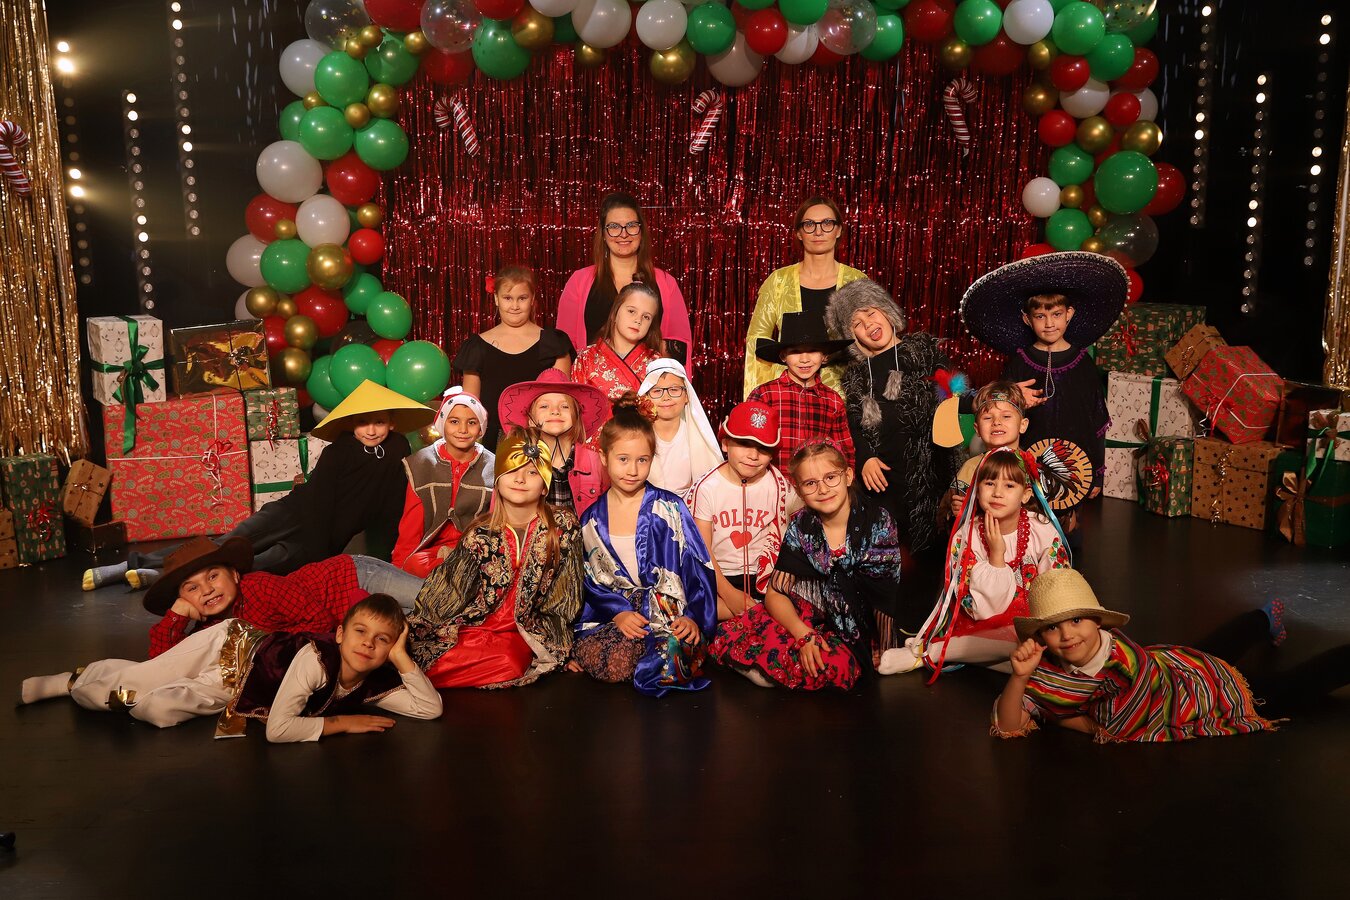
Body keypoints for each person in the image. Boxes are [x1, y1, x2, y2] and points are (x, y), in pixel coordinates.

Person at [83, 380, 432, 592]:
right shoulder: (339, 451)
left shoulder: (399, 449)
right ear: (350, 423)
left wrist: (387, 553)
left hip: (322, 540)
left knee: (253, 566)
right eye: (363, 422)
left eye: (379, 422)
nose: (371, 430)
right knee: (228, 544)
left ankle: (161, 578)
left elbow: (391, 506)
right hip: (296, 515)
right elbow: (319, 501)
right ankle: (134, 564)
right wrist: (318, 548)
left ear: (392, 422)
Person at [20, 594, 443, 742]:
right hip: (231, 646)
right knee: (139, 680)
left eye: (382, 640)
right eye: (361, 632)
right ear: (339, 633)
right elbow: (278, 730)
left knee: (158, 710)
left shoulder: (376, 679)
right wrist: (342, 723)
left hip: (237, 689)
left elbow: (429, 708)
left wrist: (402, 657)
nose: (368, 644)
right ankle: (72, 682)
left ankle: (113, 686)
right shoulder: (318, 659)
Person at [992, 570, 1350, 742]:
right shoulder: (1046, 672)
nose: (1067, 635)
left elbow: (1118, 724)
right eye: (1053, 628)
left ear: (1097, 622)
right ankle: (1262, 618)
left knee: (1278, 693)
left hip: (1176, 690)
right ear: (1040, 636)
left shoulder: (1122, 660)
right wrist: (1020, 677)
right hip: (1172, 664)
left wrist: (1071, 719)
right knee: (1205, 653)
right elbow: (1009, 725)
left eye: (1076, 620)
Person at [710, 442, 902, 691]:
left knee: (833, 665)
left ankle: (768, 671)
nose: (822, 489)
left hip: (857, 625)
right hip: (816, 615)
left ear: (848, 476)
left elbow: (885, 596)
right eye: (810, 483)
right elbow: (776, 593)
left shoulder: (877, 522)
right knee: (739, 630)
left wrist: (885, 647)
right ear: (799, 491)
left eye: (830, 477)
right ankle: (762, 669)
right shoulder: (803, 524)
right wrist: (803, 633)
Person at [825, 279, 959, 630]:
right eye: (856, 324)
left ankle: (927, 629)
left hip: (930, 472)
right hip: (884, 479)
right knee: (890, 558)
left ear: (887, 312)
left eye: (871, 312)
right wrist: (865, 457)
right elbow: (857, 422)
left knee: (930, 554)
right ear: (853, 337)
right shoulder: (858, 376)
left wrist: (997, 398)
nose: (868, 324)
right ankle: (891, 632)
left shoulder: (923, 351)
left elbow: (956, 392)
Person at [408, 428, 584, 688]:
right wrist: (418, 629)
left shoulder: (563, 527)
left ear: (545, 485)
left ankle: (416, 678)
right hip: (475, 624)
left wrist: (560, 643)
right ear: (498, 479)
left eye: (532, 472)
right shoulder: (480, 533)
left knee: (508, 661)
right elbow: (450, 589)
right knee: (425, 653)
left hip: (521, 632)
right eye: (512, 471)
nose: (520, 479)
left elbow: (565, 595)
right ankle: (407, 673)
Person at [571, 394, 717, 697]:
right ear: (604, 457)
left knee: (676, 648)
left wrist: (694, 617)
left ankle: (655, 654)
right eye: (623, 459)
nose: (633, 470)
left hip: (670, 612)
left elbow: (697, 567)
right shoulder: (591, 520)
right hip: (621, 614)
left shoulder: (671, 508)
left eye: (643, 460)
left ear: (652, 459)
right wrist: (618, 613)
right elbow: (590, 580)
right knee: (613, 661)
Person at [879, 448, 1071, 676]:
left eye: (1009, 486)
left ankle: (936, 652)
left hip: (1031, 623)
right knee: (1021, 647)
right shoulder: (966, 536)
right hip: (980, 620)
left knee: (1033, 644)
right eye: (989, 483)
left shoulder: (1042, 530)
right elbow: (979, 610)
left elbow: (1057, 591)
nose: (998, 493)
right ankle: (930, 653)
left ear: (1026, 494)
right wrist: (996, 556)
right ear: (977, 490)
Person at [961, 252, 1127, 503]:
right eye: (1040, 316)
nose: (1049, 323)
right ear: (1027, 319)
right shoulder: (1019, 362)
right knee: (1028, 514)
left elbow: (1096, 420)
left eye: (1056, 314)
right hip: (1026, 463)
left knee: (1068, 522)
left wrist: (1097, 473)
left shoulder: (1083, 363)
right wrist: (1013, 398)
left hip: (1074, 464)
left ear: (1069, 313)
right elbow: (1000, 411)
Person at [142, 535, 425, 658]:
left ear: (235, 574)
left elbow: (320, 621)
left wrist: (269, 644)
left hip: (353, 576)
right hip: (356, 614)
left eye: (213, 576)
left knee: (436, 599)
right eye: (192, 589)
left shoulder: (260, 587)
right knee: (427, 624)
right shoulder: (211, 628)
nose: (206, 590)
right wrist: (177, 615)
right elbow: (164, 661)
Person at [743, 196, 868, 397]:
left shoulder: (856, 281)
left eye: (827, 223)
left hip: (844, 393)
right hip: (787, 394)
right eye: (809, 224)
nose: (818, 231)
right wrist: (759, 401)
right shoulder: (778, 281)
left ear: (838, 230)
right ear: (798, 233)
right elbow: (756, 339)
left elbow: (868, 340)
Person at [687, 401, 799, 623]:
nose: (753, 455)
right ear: (725, 443)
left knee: (788, 606)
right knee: (697, 608)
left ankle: (762, 610)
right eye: (744, 444)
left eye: (763, 448)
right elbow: (702, 551)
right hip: (719, 577)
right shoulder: (707, 488)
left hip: (764, 579)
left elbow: (798, 526)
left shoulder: (778, 485)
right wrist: (729, 594)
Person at [556, 191, 692, 367]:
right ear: (603, 234)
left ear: (641, 231)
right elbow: (564, 348)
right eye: (614, 227)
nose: (623, 234)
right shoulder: (579, 282)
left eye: (631, 225)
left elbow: (680, 348)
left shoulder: (666, 283)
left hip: (648, 383)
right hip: (589, 382)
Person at [453, 264, 574, 445]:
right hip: (492, 442)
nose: (515, 306)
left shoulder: (554, 343)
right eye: (508, 298)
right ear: (496, 298)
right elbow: (470, 406)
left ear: (532, 299)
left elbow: (563, 401)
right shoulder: (477, 347)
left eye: (522, 298)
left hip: (543, 439)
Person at [391, 388, 495, 578]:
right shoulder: (422, 463)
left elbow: (495, 521)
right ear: (442, 424)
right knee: (414, 564)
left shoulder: (492, 466)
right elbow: (411, 526)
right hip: (431, 552)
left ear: (481, 428)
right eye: (454, 421)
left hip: (473, 550)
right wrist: (398, 569)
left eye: (472, 422)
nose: (463, 430)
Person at [747, 313, 856, 474]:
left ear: (825, 356)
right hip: (773, 483)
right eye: (796, 351)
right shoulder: (764, 395)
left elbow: (843, 451)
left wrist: (846, 475)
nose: (804, 359)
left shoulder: (833, 401)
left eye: (813, 351)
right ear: (783, 356)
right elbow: (749, 444)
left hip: (816, 484)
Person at [498, 368, 609, 516]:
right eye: (544, 406)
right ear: (530, 419)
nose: (555, 411)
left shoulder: (597, 463)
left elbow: (610, 512)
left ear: (577, 416)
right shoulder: (515, 460)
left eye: (565, 406)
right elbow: (498, 511)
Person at [571, 282, 670, 403]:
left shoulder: (656, 362)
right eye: (631, 311)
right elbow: (577, 406)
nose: (638, 320)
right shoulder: (586, 358)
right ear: (614, 313)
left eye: (646, 317)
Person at [637, 358, 722, 496]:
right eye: (657, 391)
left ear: (687, 396)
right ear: (646, 397)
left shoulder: (696, 437)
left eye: (674, 390)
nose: (666, 397)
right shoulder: (636, 436)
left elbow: (710, 488)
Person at [945, 381, 1030, 518]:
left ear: (1022, 425)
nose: (996, 422)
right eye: (988, 417)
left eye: (1006, 416)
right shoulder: (970, 468)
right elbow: (945, 514)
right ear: (977, 429)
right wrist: (956, 511)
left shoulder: (1031, 466)